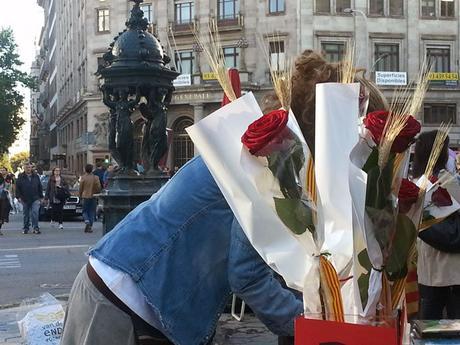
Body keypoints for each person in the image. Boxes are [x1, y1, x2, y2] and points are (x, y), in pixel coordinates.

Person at [61, 51, 389, 345]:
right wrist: (314, 326)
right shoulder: (267, 162)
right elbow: (247, 274)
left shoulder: (282, 159)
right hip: (121, 301)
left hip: (137, 298)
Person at [412, 130, 460, 320]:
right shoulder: (450, 181)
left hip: (428, 270)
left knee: (429, 327)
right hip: (454, 272)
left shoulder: (417, 183)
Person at [16, 163, 43, 234]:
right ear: (24, 168)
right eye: (27, 167)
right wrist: (18, 197)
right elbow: (17, 187)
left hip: (35, 198)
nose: (28, 169)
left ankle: (35, 228)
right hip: (24, 198)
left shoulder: (36, 176)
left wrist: (41, 197)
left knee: (35, 213)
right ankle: (26, 228)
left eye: (29, 167)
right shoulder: (21, 176)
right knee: (26, 214)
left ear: (31, 168)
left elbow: (40, 187)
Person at [79, 164, 102, 233]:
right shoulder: (96, 177)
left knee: (85, 211)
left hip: (85, 196)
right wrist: (96, 192)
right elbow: (98, 187)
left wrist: (80, 195)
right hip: (93, 196)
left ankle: (87, 221)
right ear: (92, 170)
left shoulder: (83, 177)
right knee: (92, 211)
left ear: (85, 169)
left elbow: (81, 188)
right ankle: (90, 226)